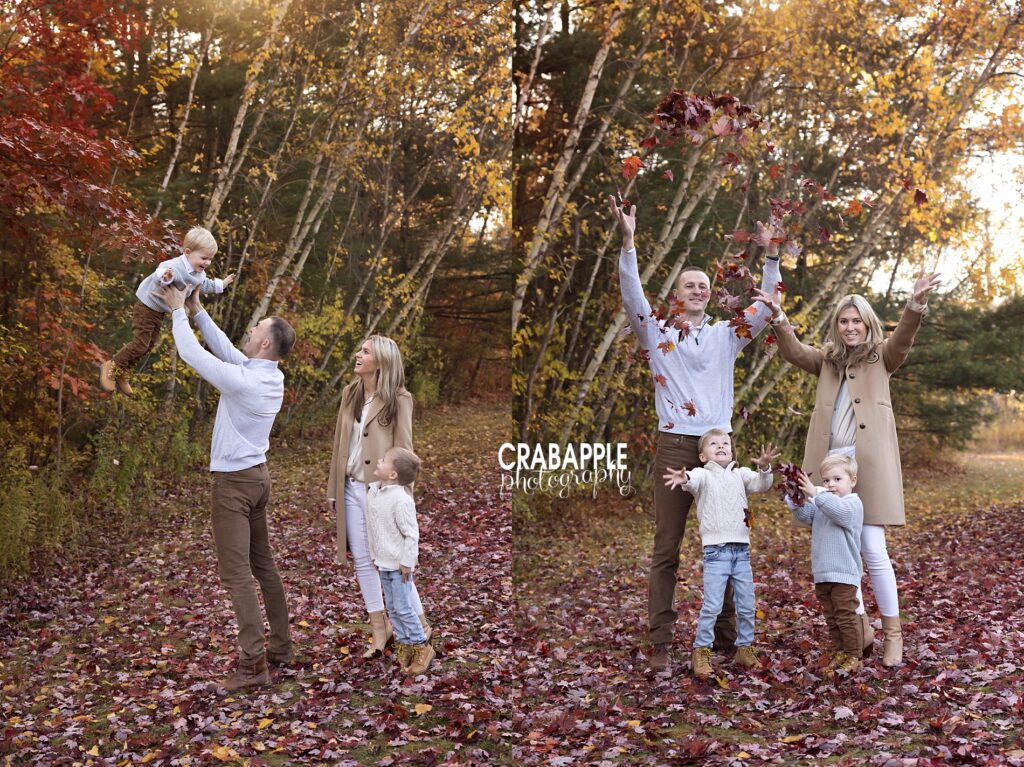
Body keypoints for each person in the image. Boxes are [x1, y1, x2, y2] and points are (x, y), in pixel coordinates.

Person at [608, 196, 781, 672]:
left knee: (726, 540)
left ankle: (727, 638)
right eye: (690, 285)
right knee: (667, 547)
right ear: (677, 293)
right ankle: (661, 642)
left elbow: (767, 308)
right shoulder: (656, 331)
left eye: (705, 285)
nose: (699, 290)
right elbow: (631, 295)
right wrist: (628, 243)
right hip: (673, 446)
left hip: (719, 451)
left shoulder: (728, 333)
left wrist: (769, 256)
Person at [754, 269, 940, 666]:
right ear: (837, 326)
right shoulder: (827, 361)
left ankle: (893, 635)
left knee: (872, 550)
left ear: (868, 324)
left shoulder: (881, 356)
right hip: (830, 469)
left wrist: (915, 304)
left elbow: (903, 339)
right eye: (844, 321)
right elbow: (794, 351)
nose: (851, 326)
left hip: (866, 469)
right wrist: (779, 317)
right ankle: (862, 632)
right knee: (840, 555)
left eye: (857, 320)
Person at [159, 283, 294, 691]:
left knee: (237, 575)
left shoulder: (246, 382)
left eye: (257, 327)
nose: (250, 329)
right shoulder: (268, 375)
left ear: (265, 341)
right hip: (257, 479)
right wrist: (198, 311)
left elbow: (194, 355)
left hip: (234, 486)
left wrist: (177, 311)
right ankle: (282, 649)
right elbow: (227, 353)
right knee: (264, 566)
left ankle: (253, 665)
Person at [326, 336, 431, 658]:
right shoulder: (350, 394)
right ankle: (379, 628)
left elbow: (405, 452)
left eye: (365, 352)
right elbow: (339, 444)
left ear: (382, 362)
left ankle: (419, 623)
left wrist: (404, 499)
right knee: (362, 561)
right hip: (350, 488)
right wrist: (333, 489)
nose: (357, 355)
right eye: (359, 349)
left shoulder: (400, 399)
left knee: (391, 557)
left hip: (382, 493)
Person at [663, 430, 778, 679]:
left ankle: (745, 647)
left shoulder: (741, 474)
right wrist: (684, 477)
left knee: (747, 605)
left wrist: (766, 468)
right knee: (713, 605)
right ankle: (701, 650)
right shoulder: (704, 475)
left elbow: (762, 485)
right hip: (716, 552)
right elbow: (692, 480)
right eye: (714, 444)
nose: (722, 446)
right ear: (703, 456)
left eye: (726, 443)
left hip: (741, 551)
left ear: (732, 451)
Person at [100, 226, 235, 395]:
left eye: (210, 259)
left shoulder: (198, 272)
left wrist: (220, 284)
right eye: (204, 258)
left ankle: (122, 372)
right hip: (147, 306)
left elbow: (204, 284)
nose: (207, 263)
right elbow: (161, 274)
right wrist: (166, 277)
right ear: (187, 252)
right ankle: (111, 366)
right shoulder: (174, 266)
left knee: (148, 345)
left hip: (158, 312)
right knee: (140, 343)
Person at [790, 454, 865, 675]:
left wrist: (817, 493)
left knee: (845, 616)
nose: (831, 484)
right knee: (832, 617)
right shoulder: (825, 505)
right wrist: (796, 500)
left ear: (852, 480)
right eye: (826, 481)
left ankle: (854, 655)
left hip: (843, 572)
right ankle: (840, 650)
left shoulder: (852, 505)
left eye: (837, 479)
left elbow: (839, 514)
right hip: (823, 572)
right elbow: (808, 516)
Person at [366, 447, 434, 675]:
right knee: (393, 609)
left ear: (393, 474)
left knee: (404, 608)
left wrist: (407, 561)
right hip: (384, 563)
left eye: (383, 460)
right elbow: (376, 528)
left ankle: (421, 647)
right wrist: (375, 556)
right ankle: (406, 646)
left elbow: (411, 534)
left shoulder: (401, 500)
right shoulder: (374, 493)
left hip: (399, 566)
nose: (378, 460)